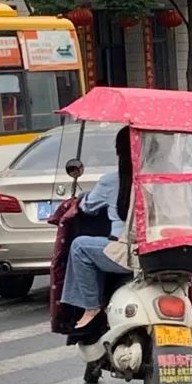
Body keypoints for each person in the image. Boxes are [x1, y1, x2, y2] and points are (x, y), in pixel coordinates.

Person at [61, 126, 134, 328]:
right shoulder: (164, 180)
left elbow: (88, 207)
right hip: (162, 251)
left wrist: (82, 197)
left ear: (119, 151)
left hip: (128, 254)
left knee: (79, 247)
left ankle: (91, 308)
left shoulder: (111, 181)